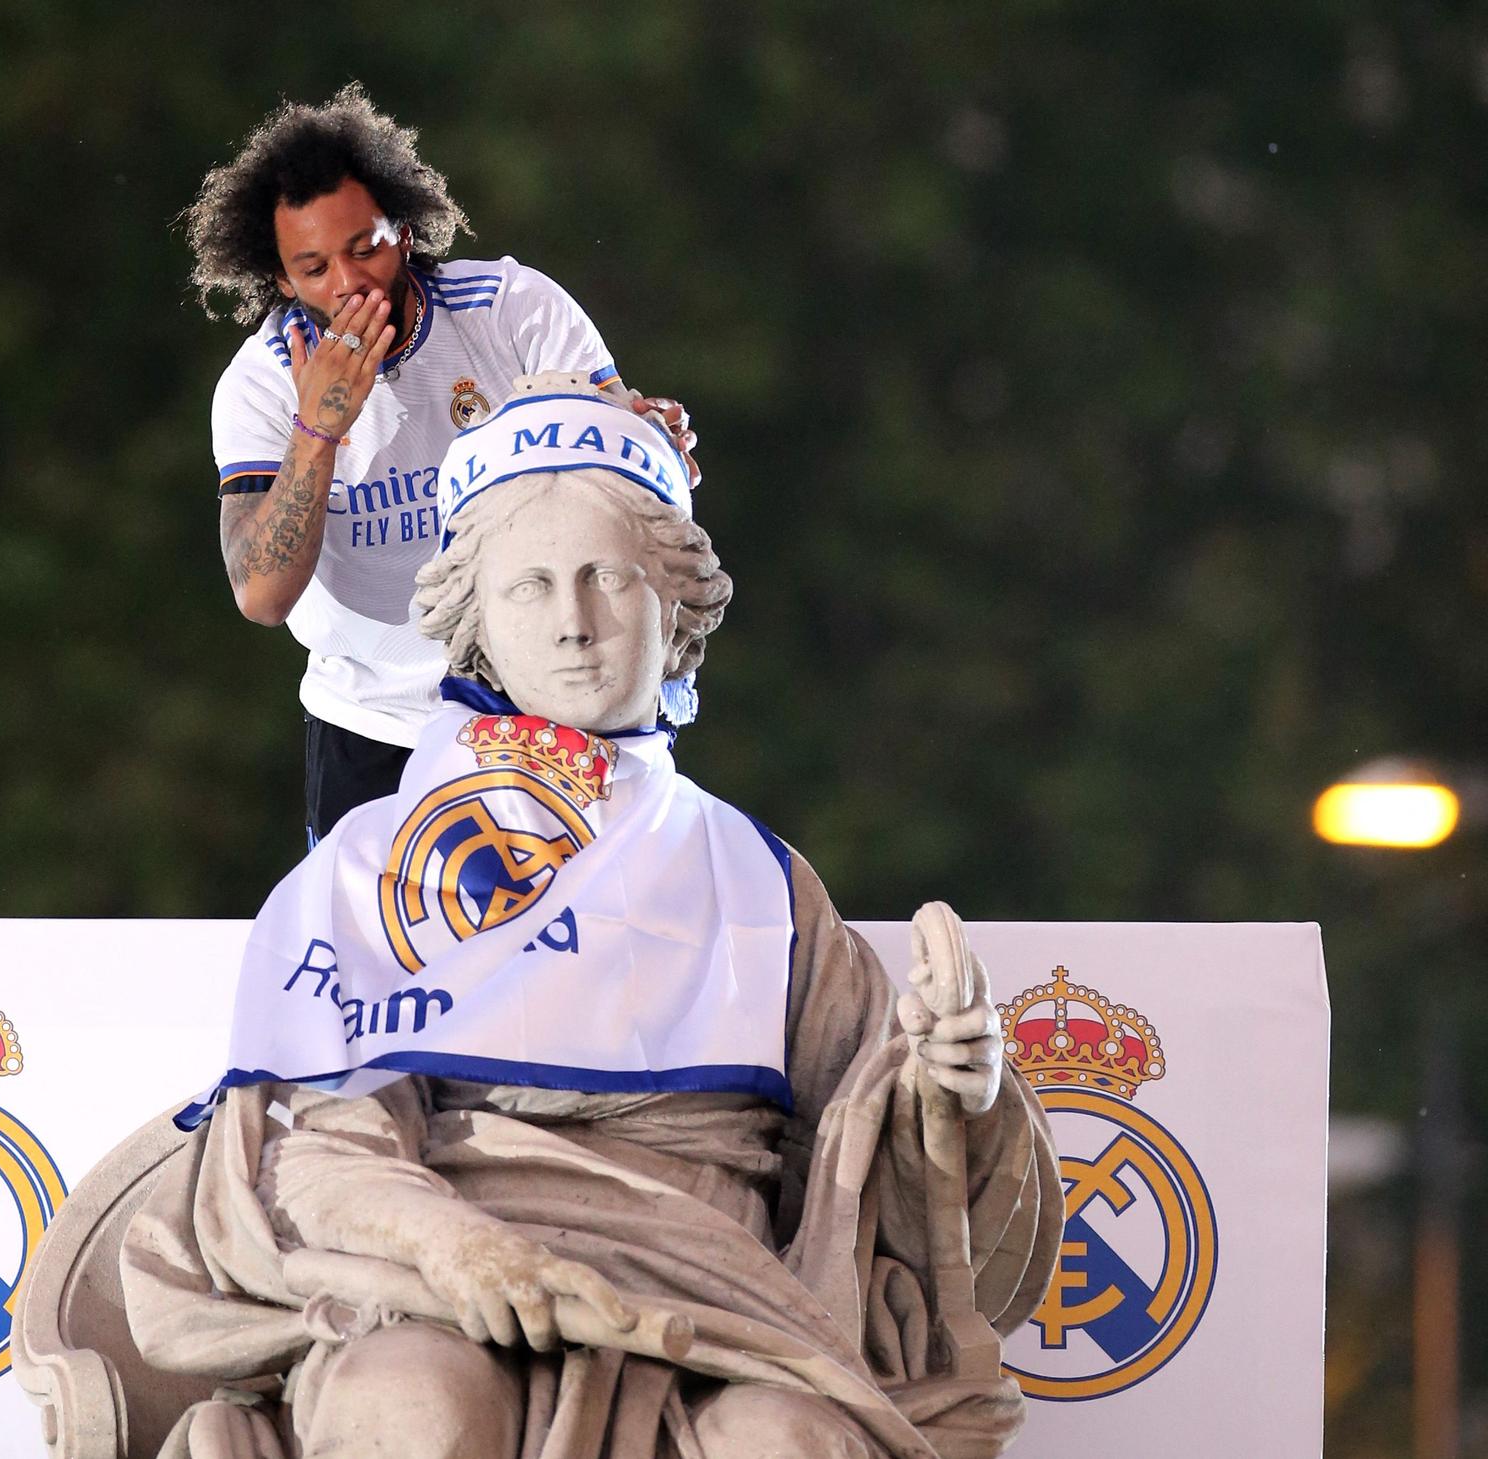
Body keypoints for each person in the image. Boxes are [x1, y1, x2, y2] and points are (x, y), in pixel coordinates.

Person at [112, 383, 1063, 1458]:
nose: (572, 622)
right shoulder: (373, 862)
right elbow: (313, 1145)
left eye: (609, 578)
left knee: (788, 1440)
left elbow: (872, 1171)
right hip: (440, 1287)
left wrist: (955, 1090)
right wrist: (458, 1248)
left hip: (720, 1312)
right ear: (473, 622)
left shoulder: (757, 879)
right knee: (413, 1402)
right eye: (528, 586)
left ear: (676, 607)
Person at [184, 84, 699, 842]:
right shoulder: (260, 384)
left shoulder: (512, 308)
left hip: (546, 704)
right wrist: (318, 431)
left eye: (366, 247)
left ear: (407, 229)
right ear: (281, 279)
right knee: (390, 957)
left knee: (588, 947)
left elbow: (627, 474)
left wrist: (653, 445)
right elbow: (261, 595)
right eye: (315, 267)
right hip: (375, 727)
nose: (349, 283)